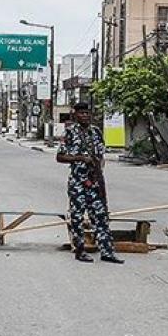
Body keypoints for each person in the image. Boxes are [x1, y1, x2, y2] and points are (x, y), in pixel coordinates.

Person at [56, 102, 121, 264]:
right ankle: (80, 250)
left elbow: (101, 156)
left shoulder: (96, 132)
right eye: (81, 113)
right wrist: (80, 158)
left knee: (101, 217)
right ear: (75, 115)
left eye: (87, 113)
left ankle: (107, 251)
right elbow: (60, 157)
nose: (85, 116)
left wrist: (98, 172)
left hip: (95, 181)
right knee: (77, 217)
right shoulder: (70, 132)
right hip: (78, 182)